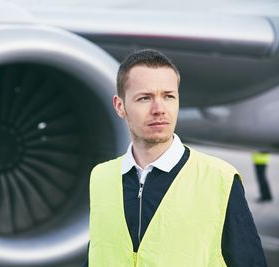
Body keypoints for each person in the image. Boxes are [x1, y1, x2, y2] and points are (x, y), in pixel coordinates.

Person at [84, 49, 266, 266]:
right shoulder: (101, 177)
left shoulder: (220, 180)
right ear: (120, 106)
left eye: (168, 96)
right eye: (144, 98)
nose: (159, 109)